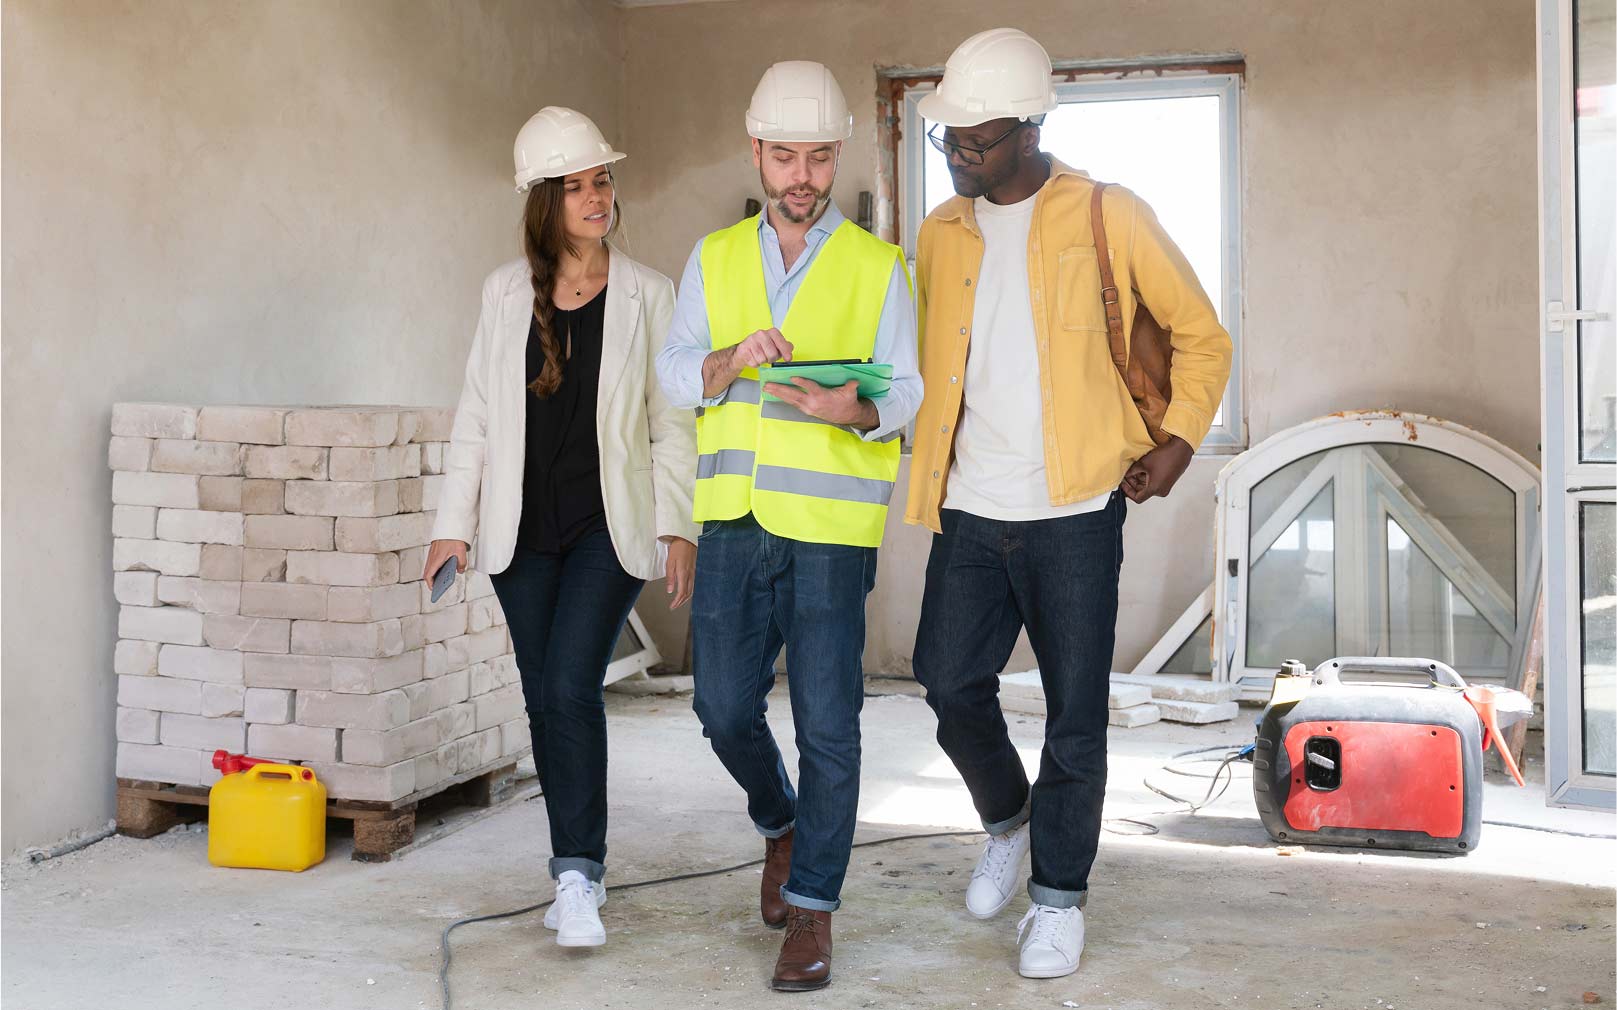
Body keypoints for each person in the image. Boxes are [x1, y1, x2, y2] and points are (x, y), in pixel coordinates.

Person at [907, 28, 1234, 979]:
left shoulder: (1106, 213)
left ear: (1031, 128)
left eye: (978, 140)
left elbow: (1201, 336)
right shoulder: (940, 232)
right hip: (968, 506)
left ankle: (1057, 898)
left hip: (1077, 512)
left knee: (1075, 715)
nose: (961, 156)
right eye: (949, 142)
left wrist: (1176, 442)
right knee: (946, 682)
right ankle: (1009, 821)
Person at [654, 61, 921, 992]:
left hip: (830, 530)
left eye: (815, 157)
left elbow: (909, 390)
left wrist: (854, 410)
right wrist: (728, 357)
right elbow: (675, 372)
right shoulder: (714, 258)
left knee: (829, 727)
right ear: (756, 155)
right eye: (783, 157)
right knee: (720, 707)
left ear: (836, 153)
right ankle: (781, 822)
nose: (800, 176)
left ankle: (812, 911)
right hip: (733, 520)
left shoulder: (880, 267)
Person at [425, 106, 698, 949]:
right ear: (543, 200)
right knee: (546, 700)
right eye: (576, 185)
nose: (595, 197)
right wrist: (451, 525)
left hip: (604, 530)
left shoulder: (650, 293)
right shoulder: (505, 292)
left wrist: (678, 526)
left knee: (571, 686)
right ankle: (572, 867)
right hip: (518, 535)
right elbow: (475, 413)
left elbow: (671, 422)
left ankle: (579, 874)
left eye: (601, 181)